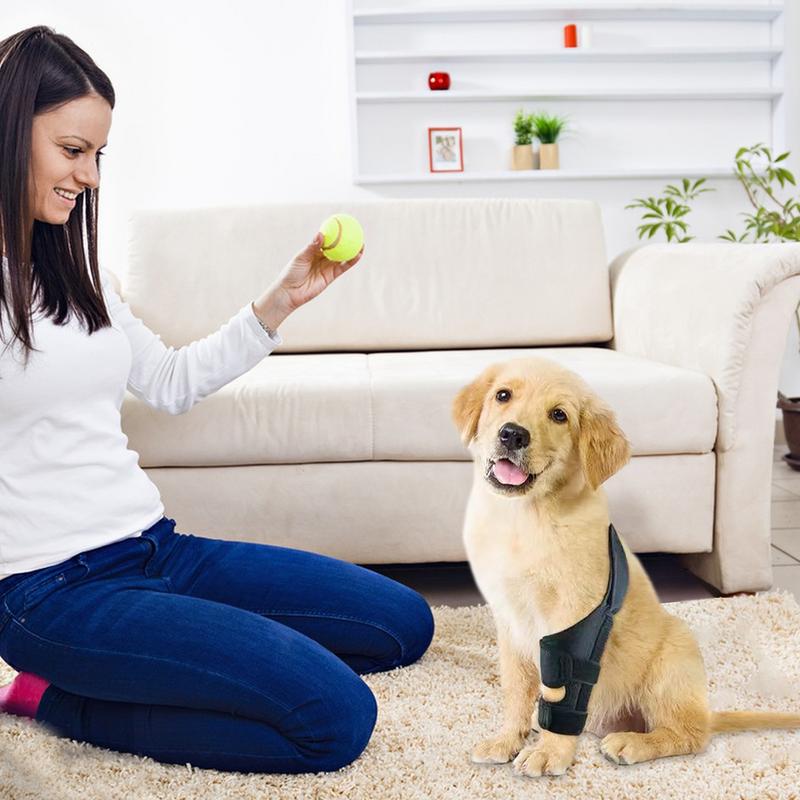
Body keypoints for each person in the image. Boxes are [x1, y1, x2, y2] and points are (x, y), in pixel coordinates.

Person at [0, 26, 434, 775]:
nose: (90, 176)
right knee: (334, 720)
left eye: (98, 155)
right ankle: (55, 696)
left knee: (402, 624)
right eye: (73, 150)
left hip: (156, 549)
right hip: (50, 592)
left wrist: (278, 305)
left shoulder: (76, 271)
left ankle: (180, 646)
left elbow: (170, 381)